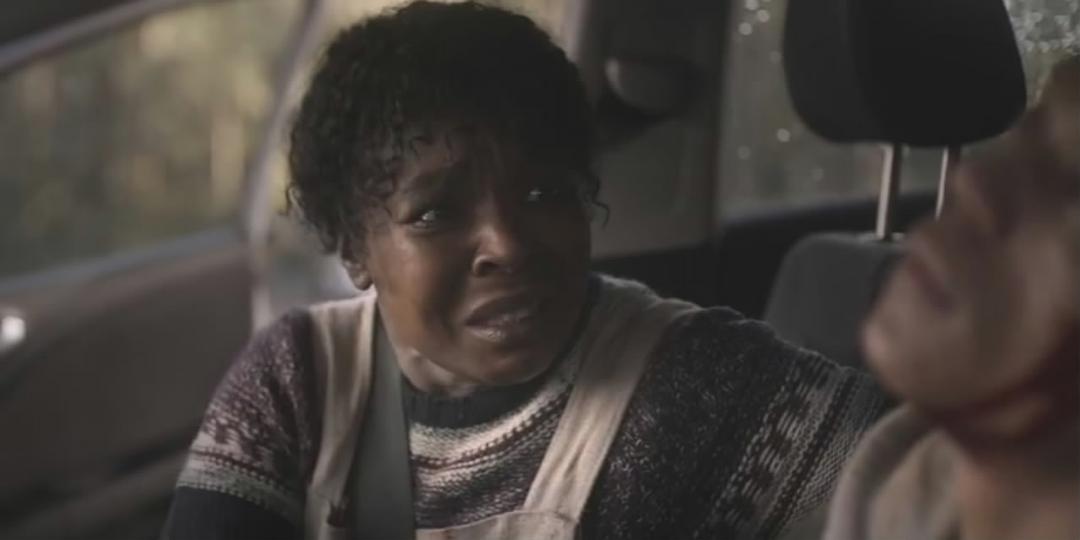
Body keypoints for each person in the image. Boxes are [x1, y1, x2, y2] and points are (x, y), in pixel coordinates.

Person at [161, 2, 1077, 538]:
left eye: (544, 192)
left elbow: (942, 495)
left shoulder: (689, 385)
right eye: (435, 212)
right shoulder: (296, 381)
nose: (508, 244)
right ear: (356, 249)